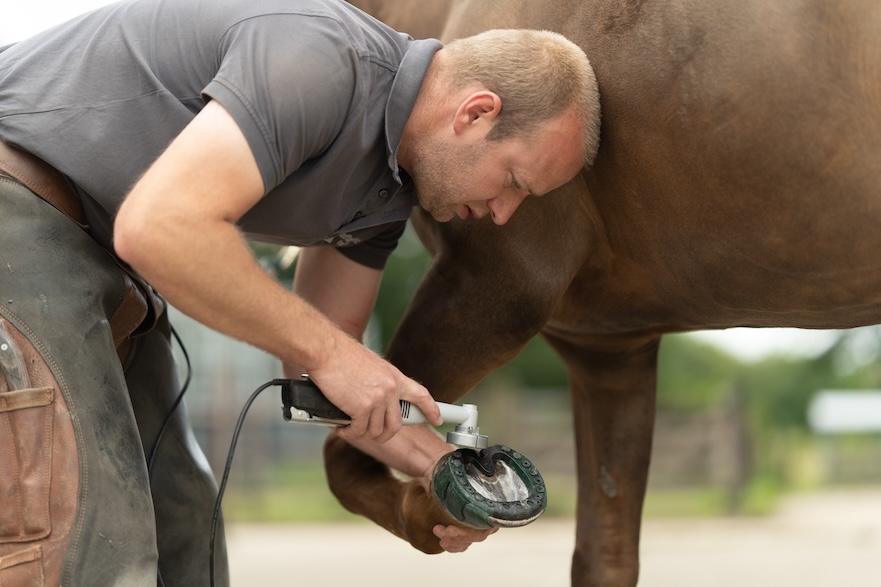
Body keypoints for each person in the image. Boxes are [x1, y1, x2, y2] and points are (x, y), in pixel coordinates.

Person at [0, 0, 601, 584]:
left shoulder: (386, 194)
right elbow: (159, 226)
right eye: (513, 181)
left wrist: (438, 466)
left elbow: (323, 376)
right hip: (20, 196)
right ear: (475, 114)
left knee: (182, 528)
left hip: (102, 251)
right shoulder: (318, 59)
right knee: (91, 533)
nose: (503, 214)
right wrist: (334, 354)